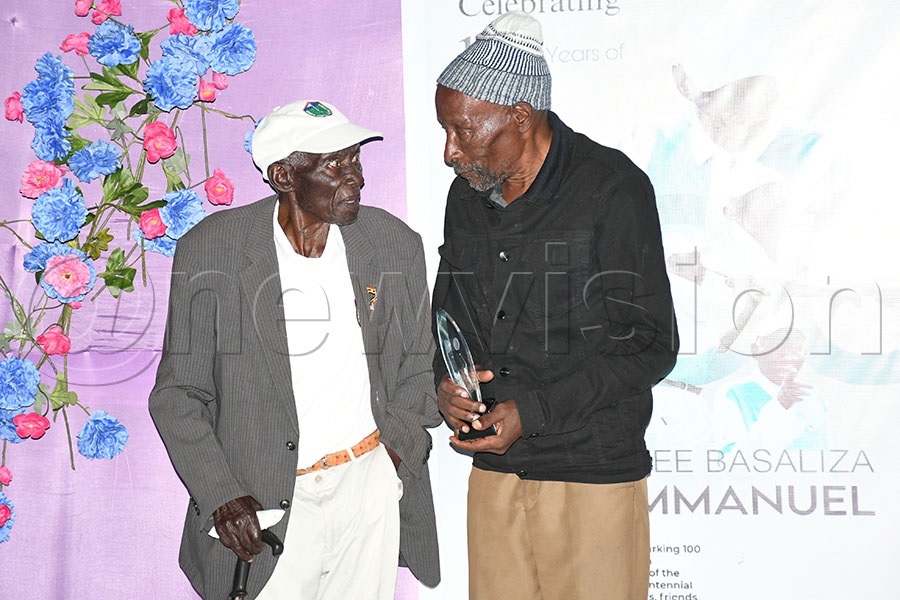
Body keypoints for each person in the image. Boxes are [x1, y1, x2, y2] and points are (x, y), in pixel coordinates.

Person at [149, 99, 441, 599]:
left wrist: (388, 463)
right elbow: (178, 395)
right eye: (334, 165)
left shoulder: (392, 243)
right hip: (266, 504)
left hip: (367, 486)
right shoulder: (213, 250)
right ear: (284, 176)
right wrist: (222, 495)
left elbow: (419, 367)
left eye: (355, 160)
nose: (356, 178)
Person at [431, 12, 679, 600]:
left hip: (590, 471)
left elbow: (650, 343)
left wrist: (534, 411)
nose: (449, 151)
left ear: (520, 115)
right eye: (445, 130)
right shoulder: (465, 197)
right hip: (495, 471)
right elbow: (448, 312)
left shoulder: (611, 188)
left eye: (463, 130)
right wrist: (446, 383)